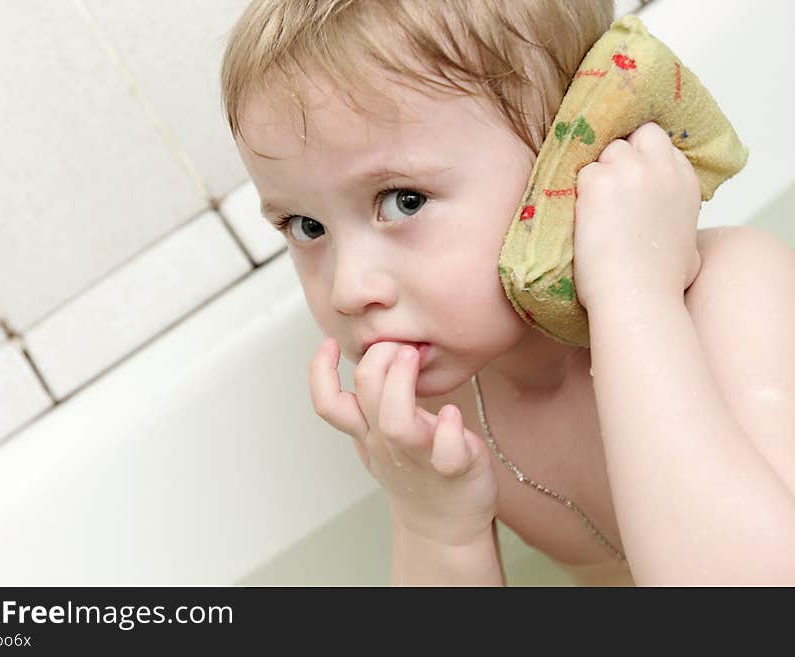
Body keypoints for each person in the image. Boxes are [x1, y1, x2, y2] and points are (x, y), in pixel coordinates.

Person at [220, 0, 795, 586]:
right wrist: (435, 526)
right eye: (306, 227)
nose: (348, 290)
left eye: (404, 200)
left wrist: (632, 292)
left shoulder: (734, 294)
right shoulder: (440, 410)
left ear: (573, 153)